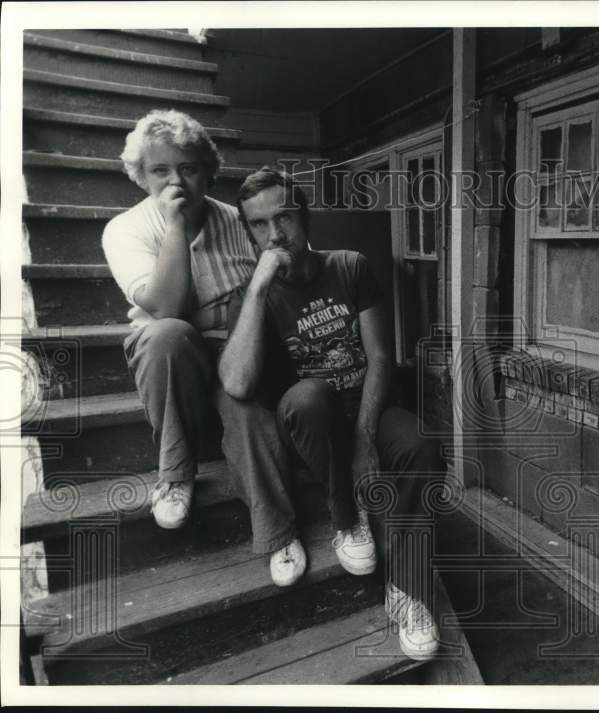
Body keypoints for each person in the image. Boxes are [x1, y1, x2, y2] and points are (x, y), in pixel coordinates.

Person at [219, 167, 443, 661]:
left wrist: (365, 439)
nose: (275, 234)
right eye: (259, 225)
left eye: (285, 217)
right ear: (249, 232)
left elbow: (380, 358)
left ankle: (409, 592)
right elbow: (236, 383)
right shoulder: (251, 296)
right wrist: (257, 290)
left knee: (422, 445)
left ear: (305, 217)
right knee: (308, 397)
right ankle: (348, 519)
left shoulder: (349, 265)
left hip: (366, 403)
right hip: (309, 419)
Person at [102, 110, 305, 588]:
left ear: (208, 169)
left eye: (188, 168)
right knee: (166, 333)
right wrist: (175, 228)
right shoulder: (126, 230)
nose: (177, 180)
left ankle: (278, 532)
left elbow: (275, 286)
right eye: (160, 170)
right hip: (176, 361)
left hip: (237, 345)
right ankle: (175, 473)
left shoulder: (237, 219)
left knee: (246, 407)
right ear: (140, 176)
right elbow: (167, 308)